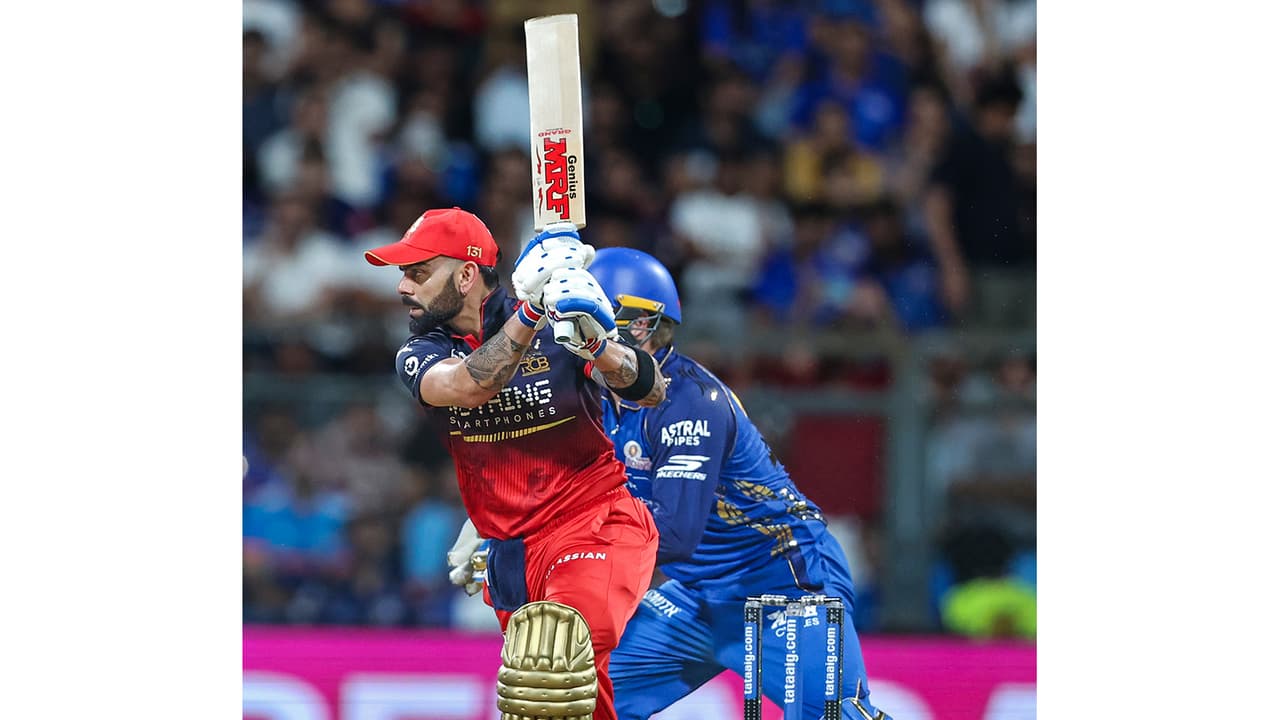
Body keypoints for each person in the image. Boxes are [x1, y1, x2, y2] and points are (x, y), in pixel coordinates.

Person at [363, 207, 665, 720]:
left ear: (466, 274)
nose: (403, 287)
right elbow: (468, 386)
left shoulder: (558, 315)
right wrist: (530, 314)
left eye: (418, 273)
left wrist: (597, 344)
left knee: (553, 657)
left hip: (596, 526)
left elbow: (651, 389)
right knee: (553, 704)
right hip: (511, 555)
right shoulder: (421, 351)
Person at [590, 247, 892, 720]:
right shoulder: (594, 399)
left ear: (640, 326)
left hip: (784, 584)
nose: (571, 339)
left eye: (589, 321)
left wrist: (561, 547)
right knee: (575, 698)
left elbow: (673, 533)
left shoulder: (689, 402)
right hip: (697, 595)